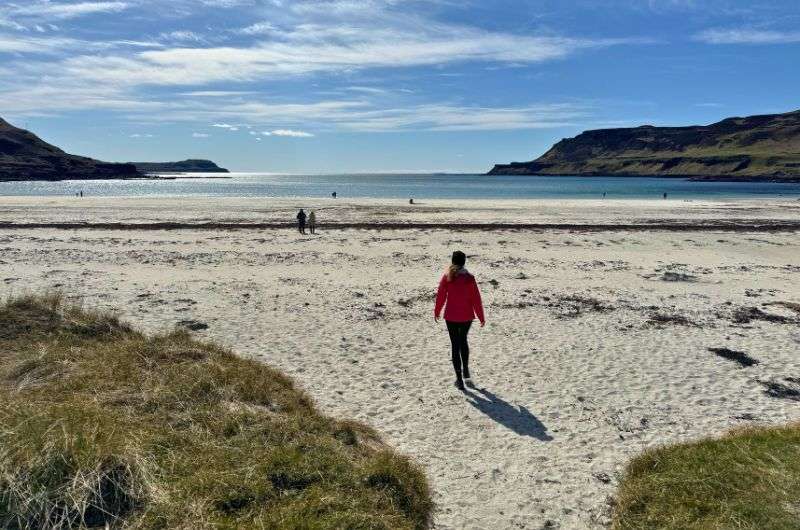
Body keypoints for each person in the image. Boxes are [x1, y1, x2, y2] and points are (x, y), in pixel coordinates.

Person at [434, 250, 485, 391]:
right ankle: (466, 371)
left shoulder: (447, 277)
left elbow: (441, 296)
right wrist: (481, 316)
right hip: (467, 316)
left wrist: (437, 311)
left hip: (451, 316)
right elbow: (476, 299)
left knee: (455, 346)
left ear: (452, 261)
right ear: (464, 262)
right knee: (463, 342)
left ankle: (459, 380)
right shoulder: (469, 278)